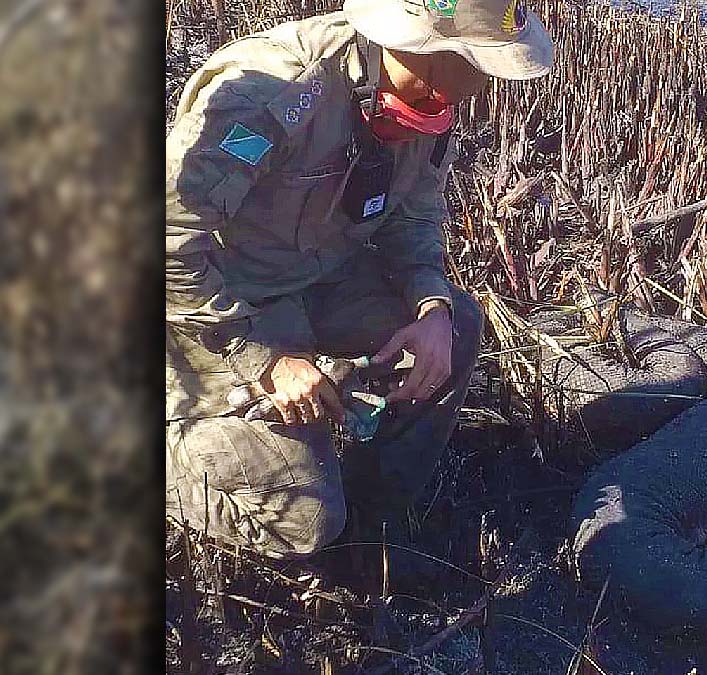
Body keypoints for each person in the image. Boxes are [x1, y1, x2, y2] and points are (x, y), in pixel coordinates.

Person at [165, 0, 554, 559]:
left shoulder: (430, 99)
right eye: (484, 64)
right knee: (304, 522)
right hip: (223, 300)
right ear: (431, 48)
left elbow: (416, 213)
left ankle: (375, 525)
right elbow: (168, 242)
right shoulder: (272, 97)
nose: (489, 85)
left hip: (324, 277)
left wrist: (432, 307)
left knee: (457, 327)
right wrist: (267, 360)